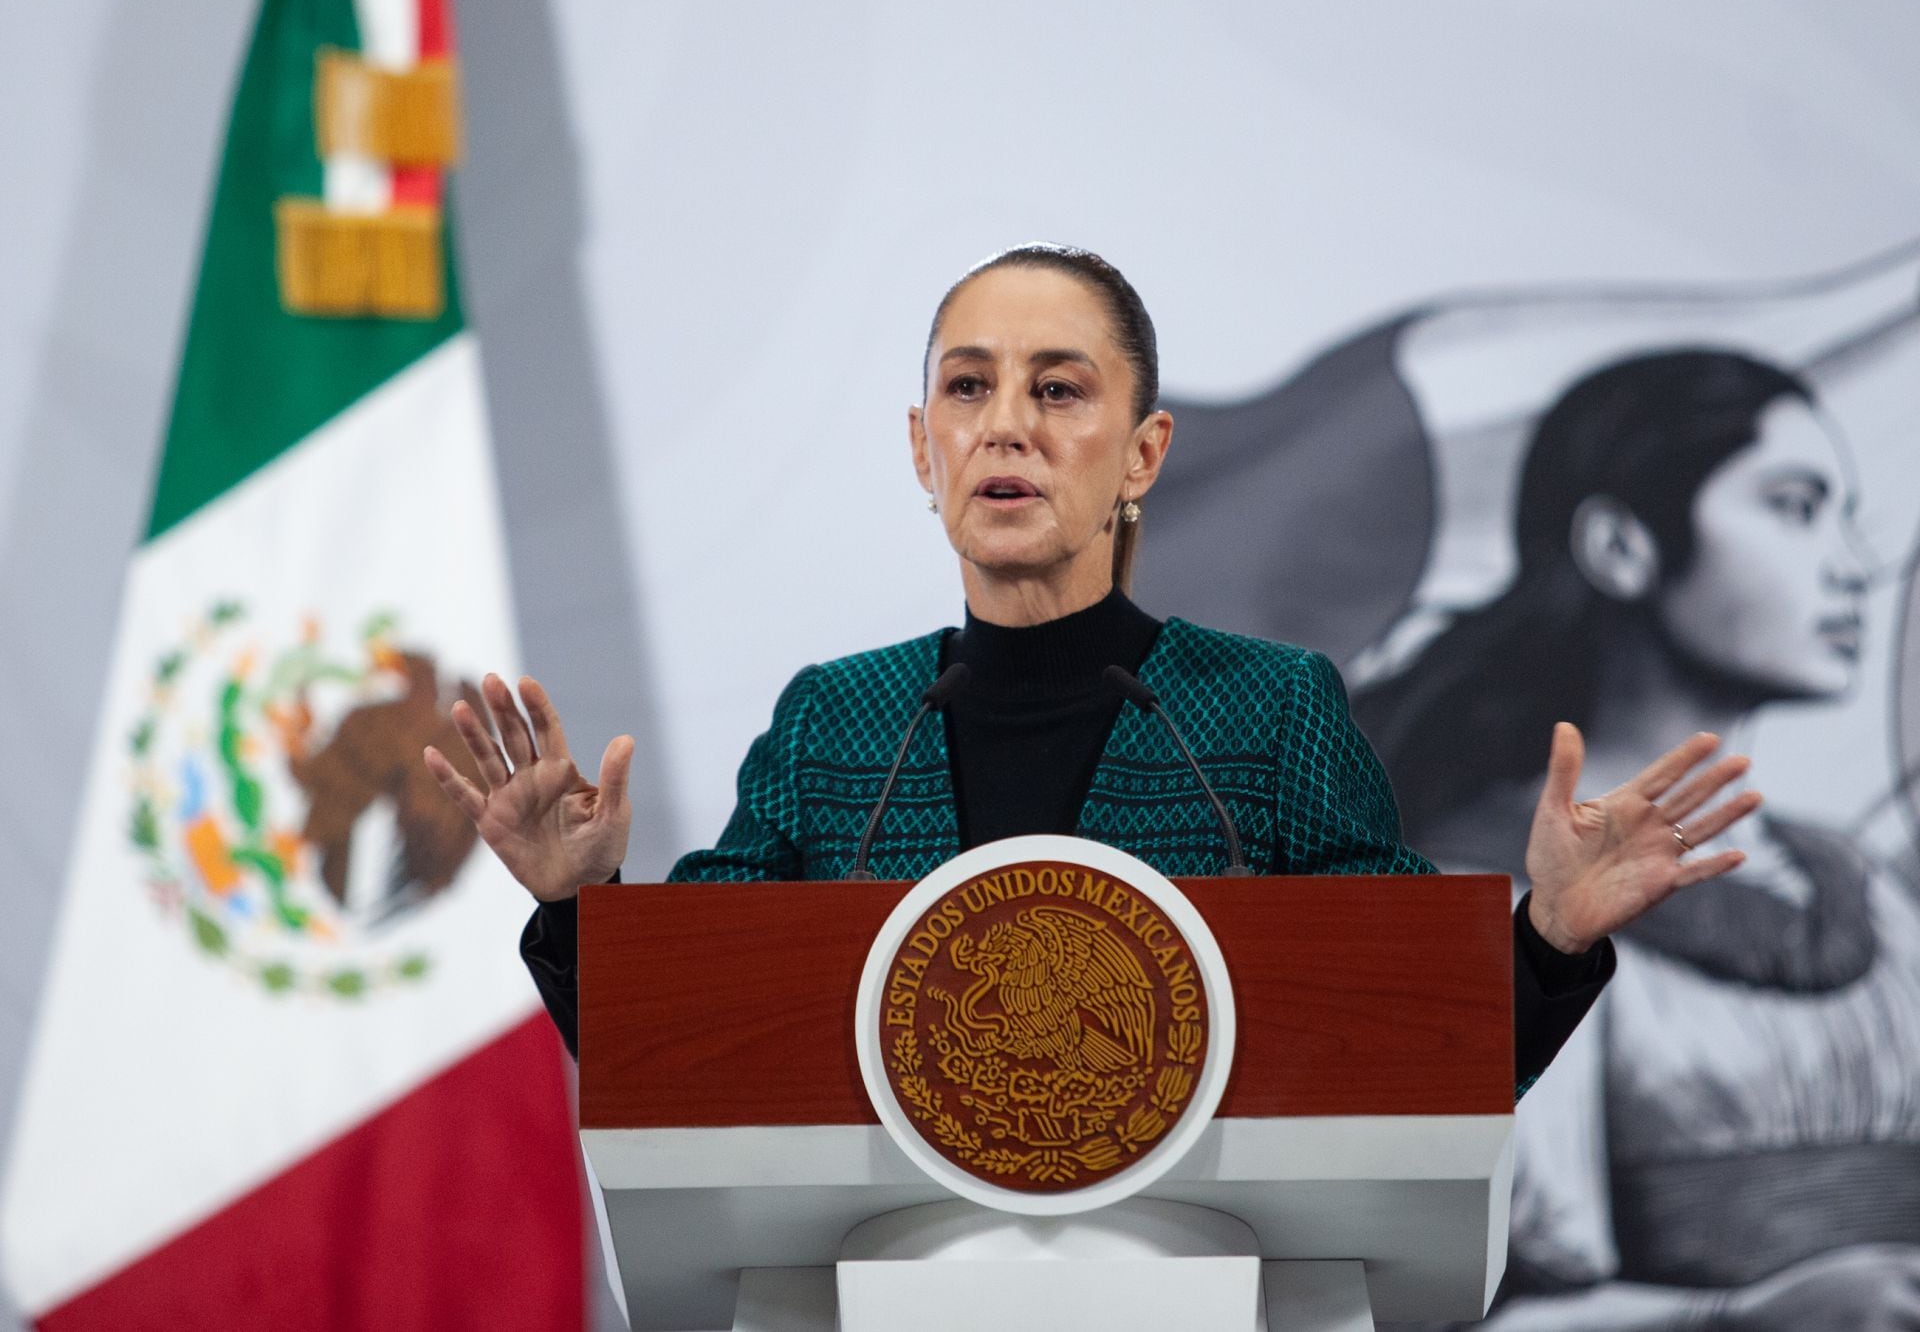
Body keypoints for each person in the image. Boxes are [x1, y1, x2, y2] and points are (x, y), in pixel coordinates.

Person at [423, 244, 1759, 1101]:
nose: (1005, 424)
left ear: (1144, 455)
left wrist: (1548, 937)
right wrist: (581, 906)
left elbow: (1413, 1048)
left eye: (1058, 390)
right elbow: (693, 1065)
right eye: (967, 389)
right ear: (920, 447)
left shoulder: (1269, 709)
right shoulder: (838, 723)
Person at [1353, 348, 1920, 1327]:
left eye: (1844, 514)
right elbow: (1444, 1305)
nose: (1856, 564)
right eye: (1793, 505)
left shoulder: (1867, 887)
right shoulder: (1470, 896)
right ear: (1622, 545)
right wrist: (1738, 1315)